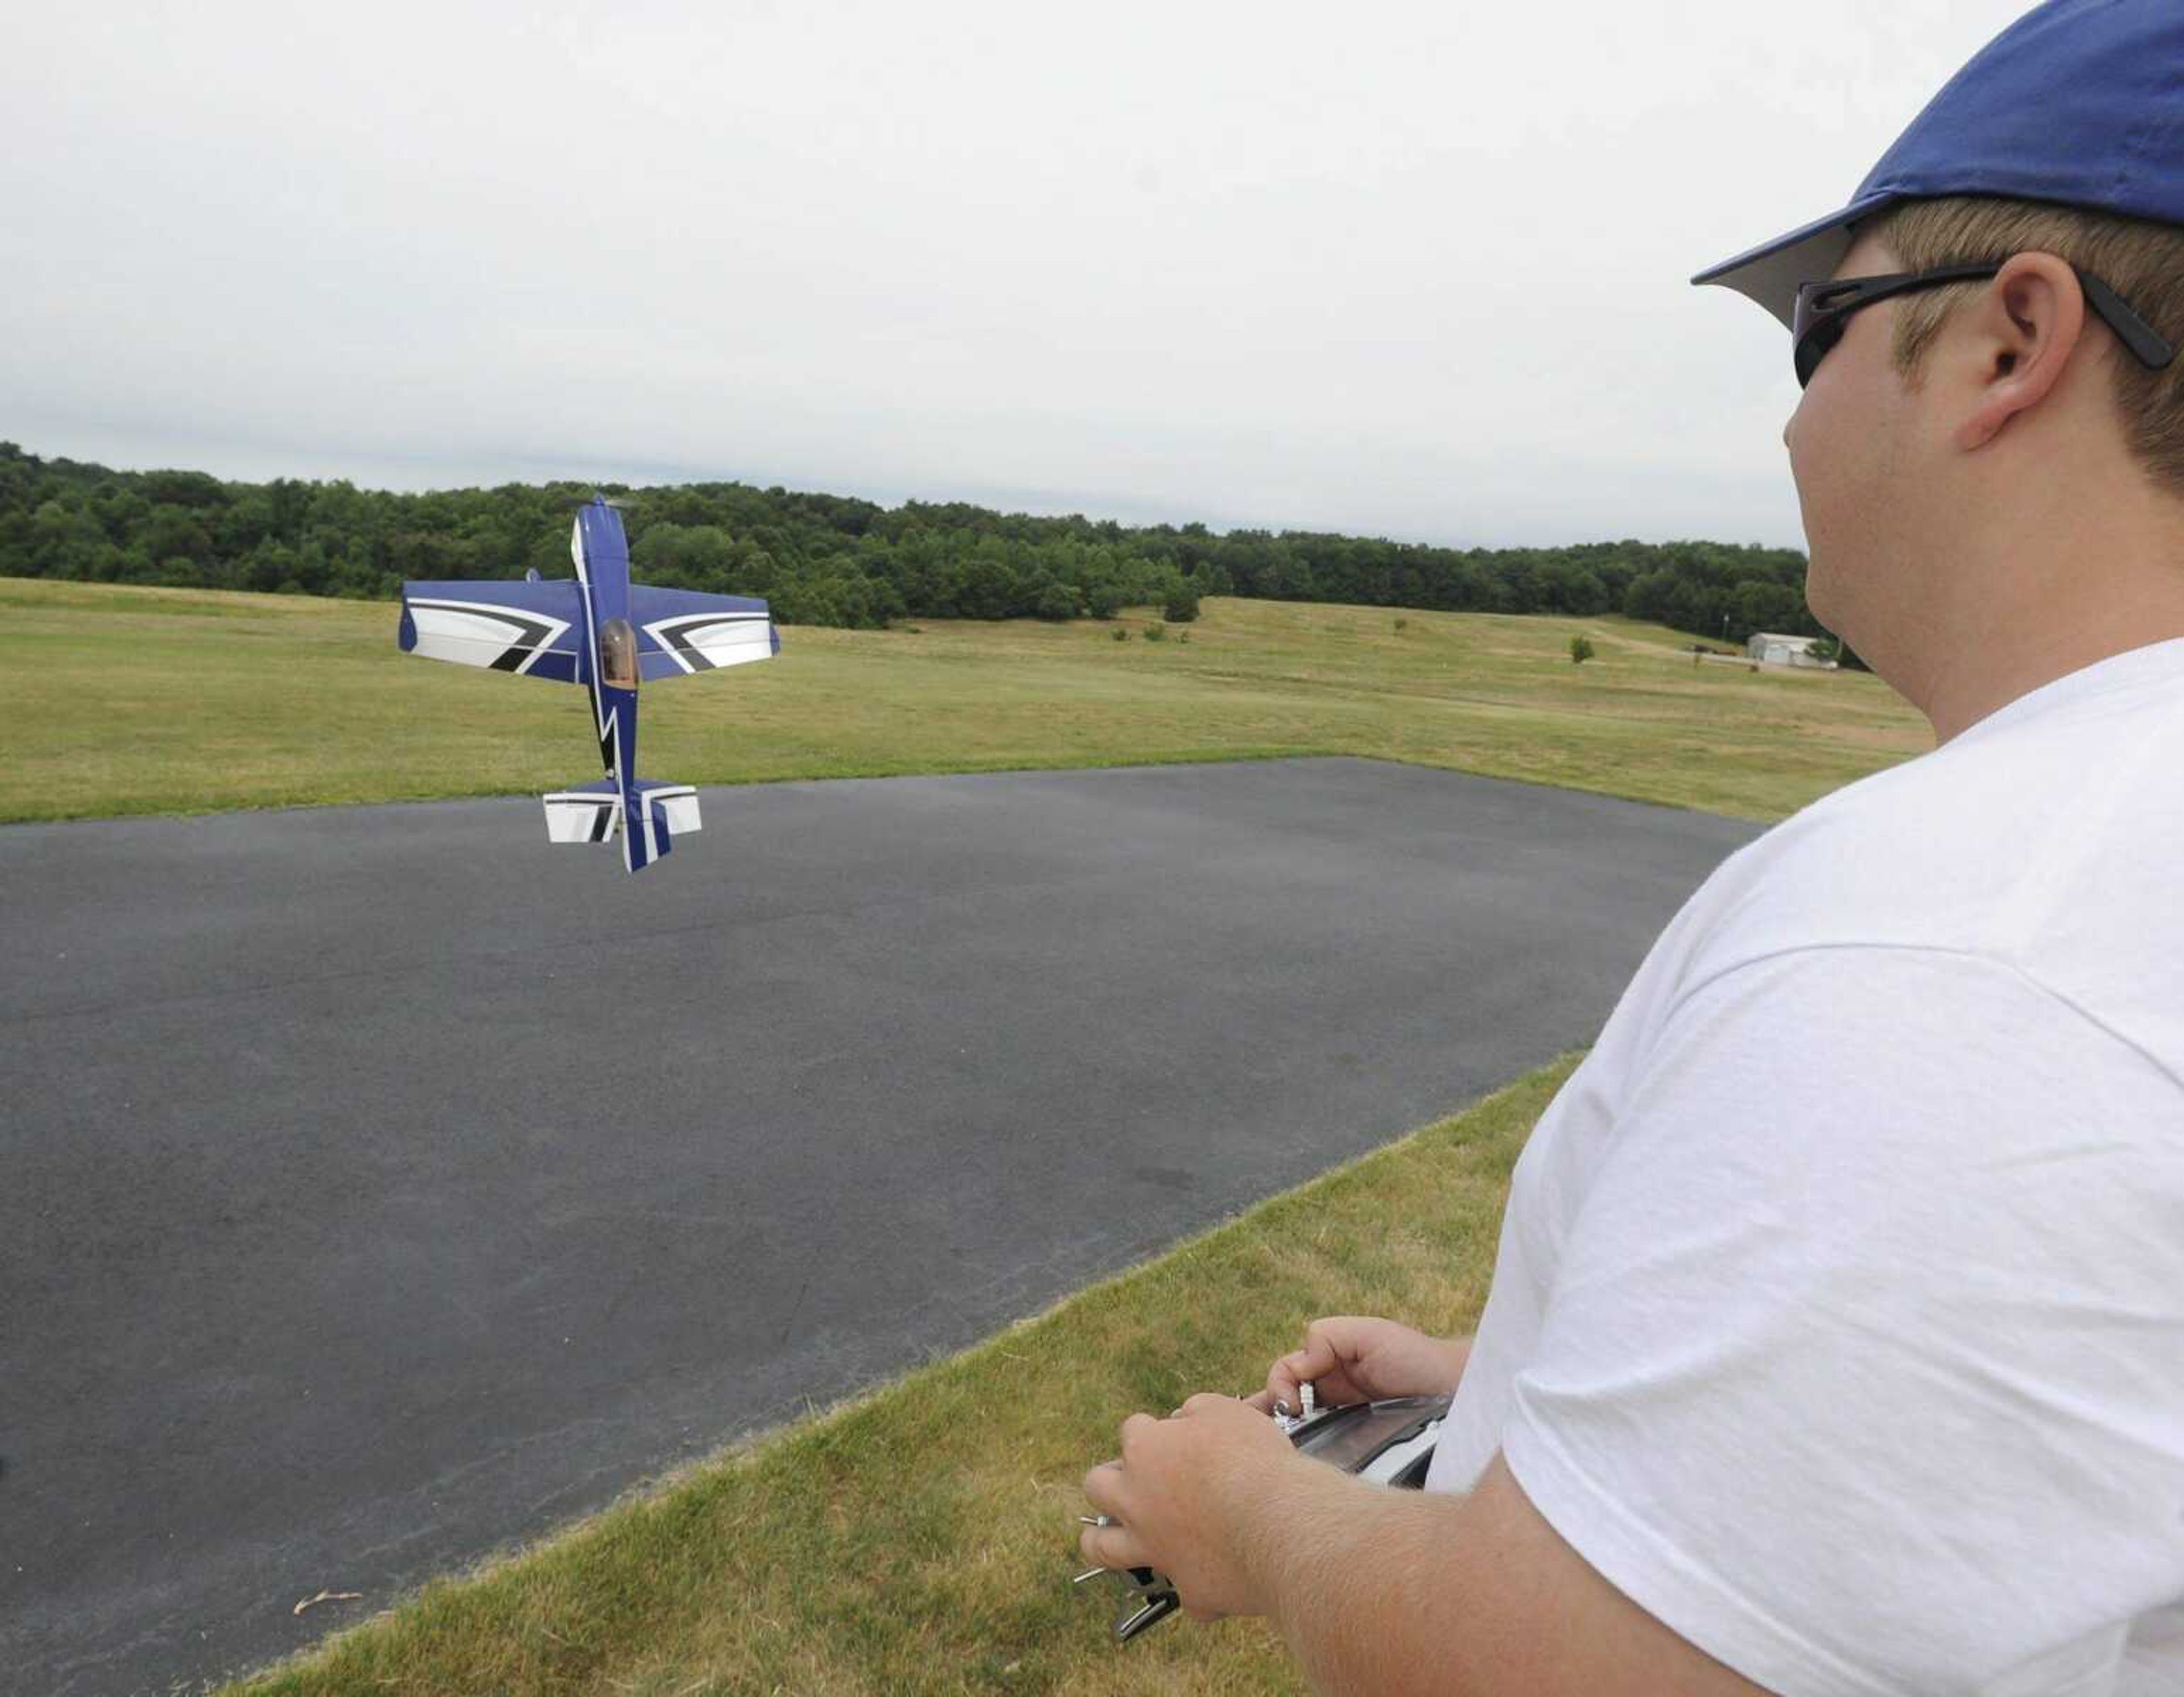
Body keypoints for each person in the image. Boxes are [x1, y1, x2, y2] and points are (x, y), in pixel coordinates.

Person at [1078, 2, 2184, 1691]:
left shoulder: (1961, 952)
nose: (1796, 419)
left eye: (1818, 326)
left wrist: (1237, 1504)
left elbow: (1579, 1669)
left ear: (2013, 339)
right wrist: (1512, 1379)